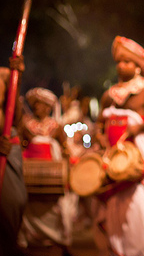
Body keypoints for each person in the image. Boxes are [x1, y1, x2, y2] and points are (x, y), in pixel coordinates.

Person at [93, 36, 144, 256]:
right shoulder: (109, 95)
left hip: (139, 167)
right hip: (113, 166)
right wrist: (101, 139)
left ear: (138, 67)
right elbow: (99, 125)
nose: (121, 66)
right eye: (119, 62)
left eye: (127, 61)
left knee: (139, 210)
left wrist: (140, 129)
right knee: (112, 214)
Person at [17, 87, 74, 255]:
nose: (37, 107)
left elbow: (65, 150)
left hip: (53, 176)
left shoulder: (56, 127)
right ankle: (30, 241)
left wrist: (66, 169)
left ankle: (61, 241)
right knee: (30, 207)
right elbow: (21, 146)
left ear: (49, 108)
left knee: (58, 208)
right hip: (31, 175)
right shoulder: (27, 126)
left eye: (41, 105)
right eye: (35, 104)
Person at [0, 56, 28, 256]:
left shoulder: (5, 74)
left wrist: (15, 80)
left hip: (7, 151)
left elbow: (15, 118)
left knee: (15, 201)